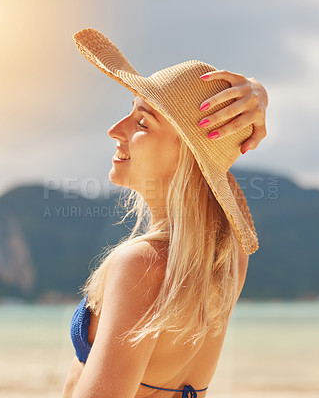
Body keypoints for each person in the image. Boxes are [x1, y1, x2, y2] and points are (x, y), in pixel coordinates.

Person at [63, 28, 268, 398]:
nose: (115, 130)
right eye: (130, 112)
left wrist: (252, 96)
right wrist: (255, 93)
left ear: (189, 157)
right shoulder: (229, 255)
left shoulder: (142, 264)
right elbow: (214, 171)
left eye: (143, 123)